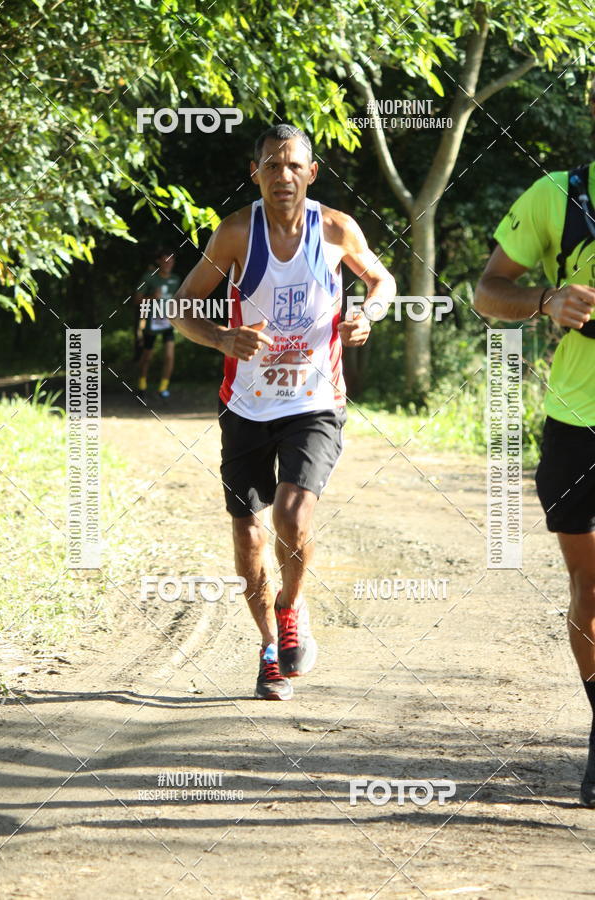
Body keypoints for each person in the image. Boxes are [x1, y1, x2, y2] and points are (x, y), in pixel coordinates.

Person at [171, 123, 396, 700]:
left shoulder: (337, 229)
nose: (283, 176)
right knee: (249, 541)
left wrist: (367, 312)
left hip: (315, 402)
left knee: (292, 519)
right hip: (246, 406)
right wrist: (223, 340)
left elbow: (383, 279)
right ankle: (270, 647)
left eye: (294, 165)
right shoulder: (236, 234)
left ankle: (291, 608)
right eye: (272, 166)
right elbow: (182, 310)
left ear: (311, 173)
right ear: (256, 175)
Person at [475, 131, 595, 805]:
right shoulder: (559, 196)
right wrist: (547, 301)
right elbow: (488, 292)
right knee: (591, 588)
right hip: (580, 425)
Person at [134, 248, 181, 399]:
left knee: (169, 356)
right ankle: (141, 384)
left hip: (168, 322)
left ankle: (163, 388)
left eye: (171, 261)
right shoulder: (149, 278)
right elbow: (136, 300)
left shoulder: (176, 279)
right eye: (165, 261)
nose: (168, 264)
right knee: (147, 356)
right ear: (159, 261)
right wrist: (152, 297)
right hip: (151, 322)